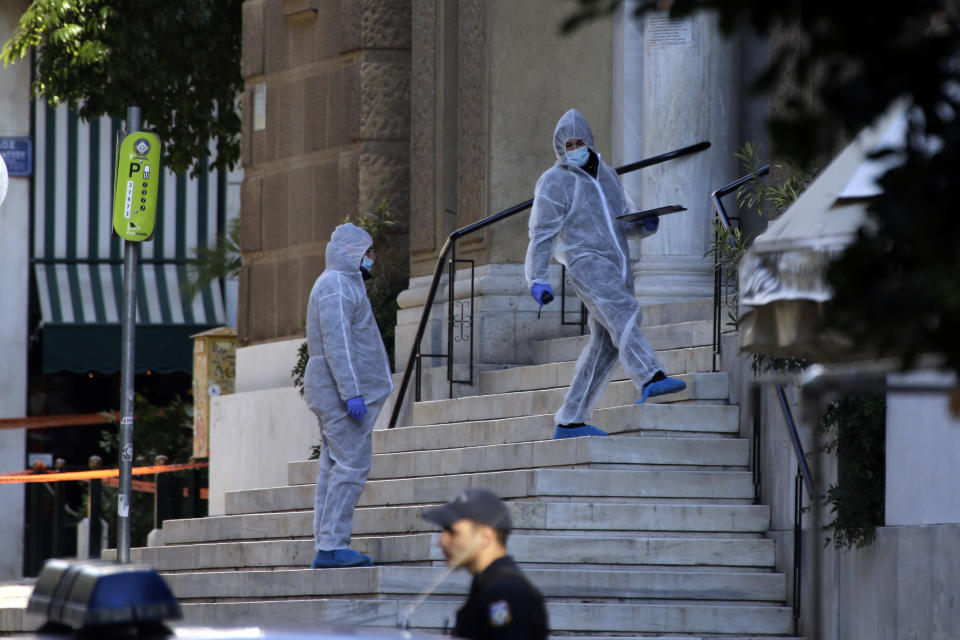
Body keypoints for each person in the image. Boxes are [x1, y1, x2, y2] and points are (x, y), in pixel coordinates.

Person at [525, 108, 687, 440]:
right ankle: (651, 376)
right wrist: (537, 277)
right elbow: (541, 234)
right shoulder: (555, 181)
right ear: (559, 147)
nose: (574, 147)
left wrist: (644, 224)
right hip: (585, 264)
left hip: (616, 264)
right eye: (568, 143)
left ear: (589, 139)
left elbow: (622, 220)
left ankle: (571, 419)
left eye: (579, 141)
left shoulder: (608, 176)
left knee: (605, 346)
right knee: (624, 311)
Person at [303, 222, 394, 568]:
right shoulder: (336, 288)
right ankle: (331, 545)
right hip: (340, 396)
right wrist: (351, 393)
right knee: (352, 465)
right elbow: (337, 345)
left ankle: (327, 542)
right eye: (369, 251)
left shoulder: (343, 285)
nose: (373, 258)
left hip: (338, 393)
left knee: (332, 466)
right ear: (353, 252)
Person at [422, 489, 548, 640]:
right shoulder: (490, 586)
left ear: (485, 536)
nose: (442, 541)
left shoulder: (508, 593)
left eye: (452, 532)